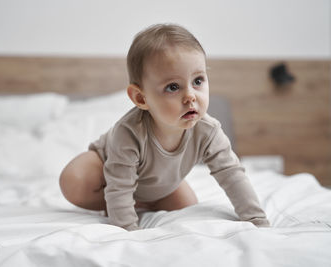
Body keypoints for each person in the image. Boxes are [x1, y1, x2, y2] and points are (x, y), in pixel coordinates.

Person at [59, 23, 270, 231]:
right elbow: (120, 185)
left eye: (198, 81)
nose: (190, 96)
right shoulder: (129, 132)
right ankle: (128, 205)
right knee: (75, 180)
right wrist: (128, 229)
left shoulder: (208, 131)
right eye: (173, 87)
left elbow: (232, 174)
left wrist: (256, 219)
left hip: (160, 184)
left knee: (187, 209)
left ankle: (143, 202)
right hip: (108, 173)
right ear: (141, 98)